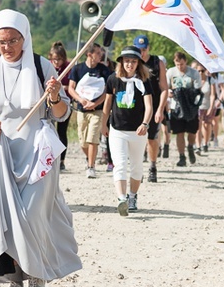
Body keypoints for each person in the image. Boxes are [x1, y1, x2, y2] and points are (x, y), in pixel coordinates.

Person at [0, 9, 81, 287]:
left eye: (13, 40)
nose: (7, 47)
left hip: (38, 153)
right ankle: (15, 283)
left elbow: (62, 113)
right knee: (5, 218)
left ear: (25, 37)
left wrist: (55, 97)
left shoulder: (42, 66)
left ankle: (38, 273)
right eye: (1, 41)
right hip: (2, 153)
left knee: (31, 214)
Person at [101, 45, 154, 215]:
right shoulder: (113, 79)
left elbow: (149, 106)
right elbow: (108, 103)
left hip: (137, 131)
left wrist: (145, 124)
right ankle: (122, 199)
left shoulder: (144, 81)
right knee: (120, 164)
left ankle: (133, 196)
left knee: (137, 166)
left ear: (138, 63)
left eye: (133, 61)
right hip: (117, 129)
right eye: (126, 61)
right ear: (121, 62)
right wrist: (104, 123)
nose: (129, 64)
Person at [68, 42, 112, 179]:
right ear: (89, 54)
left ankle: (91, 167)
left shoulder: (104, 70)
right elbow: (71, 88)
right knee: (83, 141)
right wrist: (81, 100)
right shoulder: (77, 69)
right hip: (81, 110)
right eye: (98, 53)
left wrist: (96, 103)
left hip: (97, 110)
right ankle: (90, 158)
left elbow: (108, 91)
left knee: (93, 138)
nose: (101, 55)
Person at [134, 35, 168, 183]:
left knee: (152, 138)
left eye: (144, 49)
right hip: (136, 107)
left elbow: (165, 88)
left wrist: (160, 109)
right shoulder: (133, 62)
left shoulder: (157, 62)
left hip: (153, 107)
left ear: (148, 48)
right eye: (139, 49)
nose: (142, 52)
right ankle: (138, 168)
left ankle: (152, 166)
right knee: (136, 139)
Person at [166, 51, 201, 167]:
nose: (180, 67)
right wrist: (170, 93)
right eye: (177, 65)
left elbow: (197, 89)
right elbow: (166, 87)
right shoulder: (171, 72)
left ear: (185, 61)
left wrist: (187, 93)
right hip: (176, 106)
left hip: (190, 106)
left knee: (192, 132)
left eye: (182, 64)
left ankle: (190, 146)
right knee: (178, 132)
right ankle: (182, 156)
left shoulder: (194, 73)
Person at [49, 41, 72, 171]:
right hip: (50, 103)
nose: (56, 62)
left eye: (59, 59)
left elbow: (73, 85)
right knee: (50, 131)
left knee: (62, 131)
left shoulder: (68, 68)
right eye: (54, 59)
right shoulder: (48, 67)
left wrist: (61, 88)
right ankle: (51, 157)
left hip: (65, 103)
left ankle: (62, 160)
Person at [192, 62, 216, 154]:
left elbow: (213, 95)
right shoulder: (195, 80)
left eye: (202, 71)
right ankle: (198, 146)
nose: (200, 73)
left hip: (208, 105)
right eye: (198, 71)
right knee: (198, 126)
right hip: (197, 106)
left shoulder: (210, 80)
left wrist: (211, 107)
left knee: (207, 125)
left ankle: (206, 142)